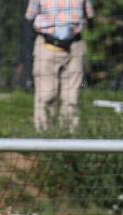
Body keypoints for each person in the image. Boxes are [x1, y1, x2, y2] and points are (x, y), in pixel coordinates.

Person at [26, 0, 93, 132]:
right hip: (47, 44)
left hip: (75, 45)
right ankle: (44, 135)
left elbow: (89, 15)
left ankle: (69, 135)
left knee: (71, 96)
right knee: (46, 94)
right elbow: (30, 16)